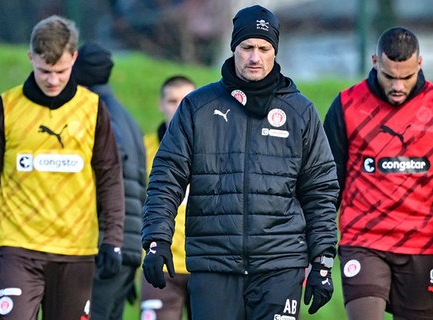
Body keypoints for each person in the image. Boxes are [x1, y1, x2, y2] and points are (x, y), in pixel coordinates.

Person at [141, 5, 339, 320]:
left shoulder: (300, 112)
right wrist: (156, 238)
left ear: (275, 52)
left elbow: (321, 191)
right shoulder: (198, 107)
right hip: (214, 265)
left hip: (280, 266)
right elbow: (166, 177)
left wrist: (323, 260)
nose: (254, 56)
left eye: (264, 48)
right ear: (234, 49)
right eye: (247, 47)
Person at [0, 15, 125, 320]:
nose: (53, 80)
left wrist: (113, 240)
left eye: (62, 71)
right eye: (44, 71)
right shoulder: (6, 106)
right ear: (30, 58)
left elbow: (110, 177)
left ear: (74, 59)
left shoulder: (92, 109)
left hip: (75, 251)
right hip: (19, 248)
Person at [323, 26, 433, 320]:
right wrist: (318, 242)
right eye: (389, 76)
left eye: (406, 77)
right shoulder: (346, 105)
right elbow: (328, 184)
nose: (398, 86)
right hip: (364, 242)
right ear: (374, 62)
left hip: (424, 245)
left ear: (420, 64)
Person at [73, 42, 147, 320]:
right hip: (126, 247)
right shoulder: (127, 117)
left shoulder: (94, 114)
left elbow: (107, 177)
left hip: (103, 246)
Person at [140, 75, 196, 320]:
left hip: (204, 263)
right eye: (172, 101)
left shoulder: (215, 147)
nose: (178, 108)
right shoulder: (144, 150)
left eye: (185, 101)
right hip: (160, 263)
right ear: (160, 105)